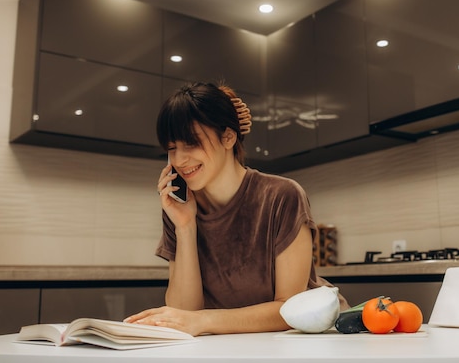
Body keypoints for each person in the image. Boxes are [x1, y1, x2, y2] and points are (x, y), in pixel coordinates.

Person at [124, 81, 347, 336]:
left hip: (302, 342)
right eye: (172, 148)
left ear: (228, 137)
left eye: (191, 144)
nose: (179, 160)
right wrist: (185, 226)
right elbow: (185, 312)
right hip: (233, 344)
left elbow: (289, 310)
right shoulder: (180, 207)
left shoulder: (282, 196)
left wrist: (204, 322)